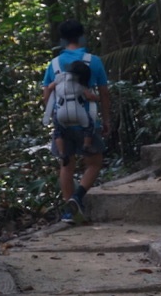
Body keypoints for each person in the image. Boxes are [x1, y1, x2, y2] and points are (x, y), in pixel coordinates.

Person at [41, 20, 111, 224]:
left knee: (66, 164)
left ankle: (68, 213)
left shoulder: (53, 64)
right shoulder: (94, 61)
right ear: (82, 36)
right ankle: (77, 197)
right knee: (94, 162)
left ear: (62, 40)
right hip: (86, 120)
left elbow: (47, 94)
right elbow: (104, 94)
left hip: (61, 121)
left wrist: (54, 113)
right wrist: (106, 119)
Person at [43, 59, 101, 159]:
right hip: (78, 111)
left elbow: (50, 87)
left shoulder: (60, 77)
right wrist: (97, 98)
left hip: (61, 111)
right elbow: (89, 96)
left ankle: (61, 152)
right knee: (89, 126)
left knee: (58, 131)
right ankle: (86, 145)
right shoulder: (80, 82)